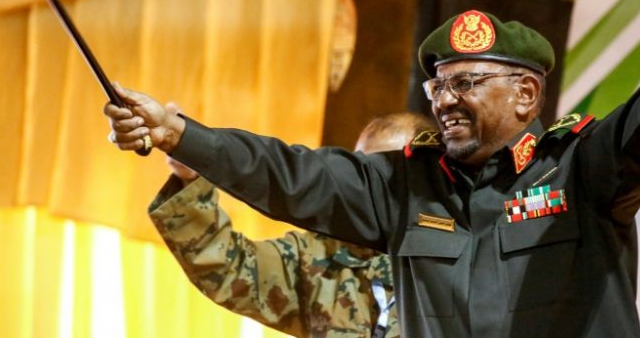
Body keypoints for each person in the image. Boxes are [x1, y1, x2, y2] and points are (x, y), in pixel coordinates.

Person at [105, 9, 640, 337]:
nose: (443, 100)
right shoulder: (402, 186)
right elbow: (289, 173)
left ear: (526, 93)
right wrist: (182, 135)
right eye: (438, 84)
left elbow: (632, 144)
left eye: (464, 82)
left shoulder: (577, 170)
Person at [149, 112, 436, 338]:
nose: (366, 185)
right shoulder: (322, 257)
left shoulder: (451, 260)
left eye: (382, 174)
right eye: (360, 172)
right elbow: (228, 267)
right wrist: (189, 177)